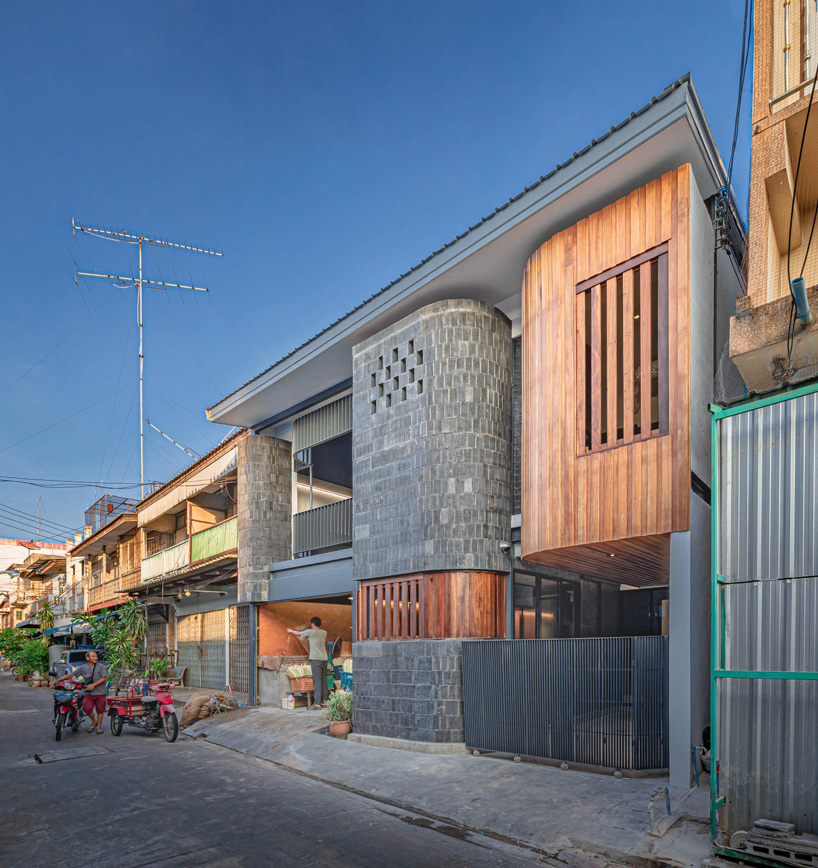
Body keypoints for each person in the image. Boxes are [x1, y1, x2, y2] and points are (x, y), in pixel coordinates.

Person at [54, 650, 108, 734]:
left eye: (96, 656)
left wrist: (93, 685)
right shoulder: (83, 667)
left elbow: (104, 678)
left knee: (100, 710)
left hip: (100, 692)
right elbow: (71, 675)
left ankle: (99, 727)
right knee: (87, 709)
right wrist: (57, 680)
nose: (95, 658)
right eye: (93, 656)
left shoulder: (101, 666)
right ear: (87, 658)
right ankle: (94, 721)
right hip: (88, 692)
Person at [288, 618, 327, 709]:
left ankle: (317, 704)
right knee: (323, 680)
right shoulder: (324, 632)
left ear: (313, 624)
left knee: (317, 681)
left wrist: (290, 630)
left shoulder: (310, 632)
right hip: (324, 658)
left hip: (316, 659)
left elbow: (298, 633)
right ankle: (324, 702)